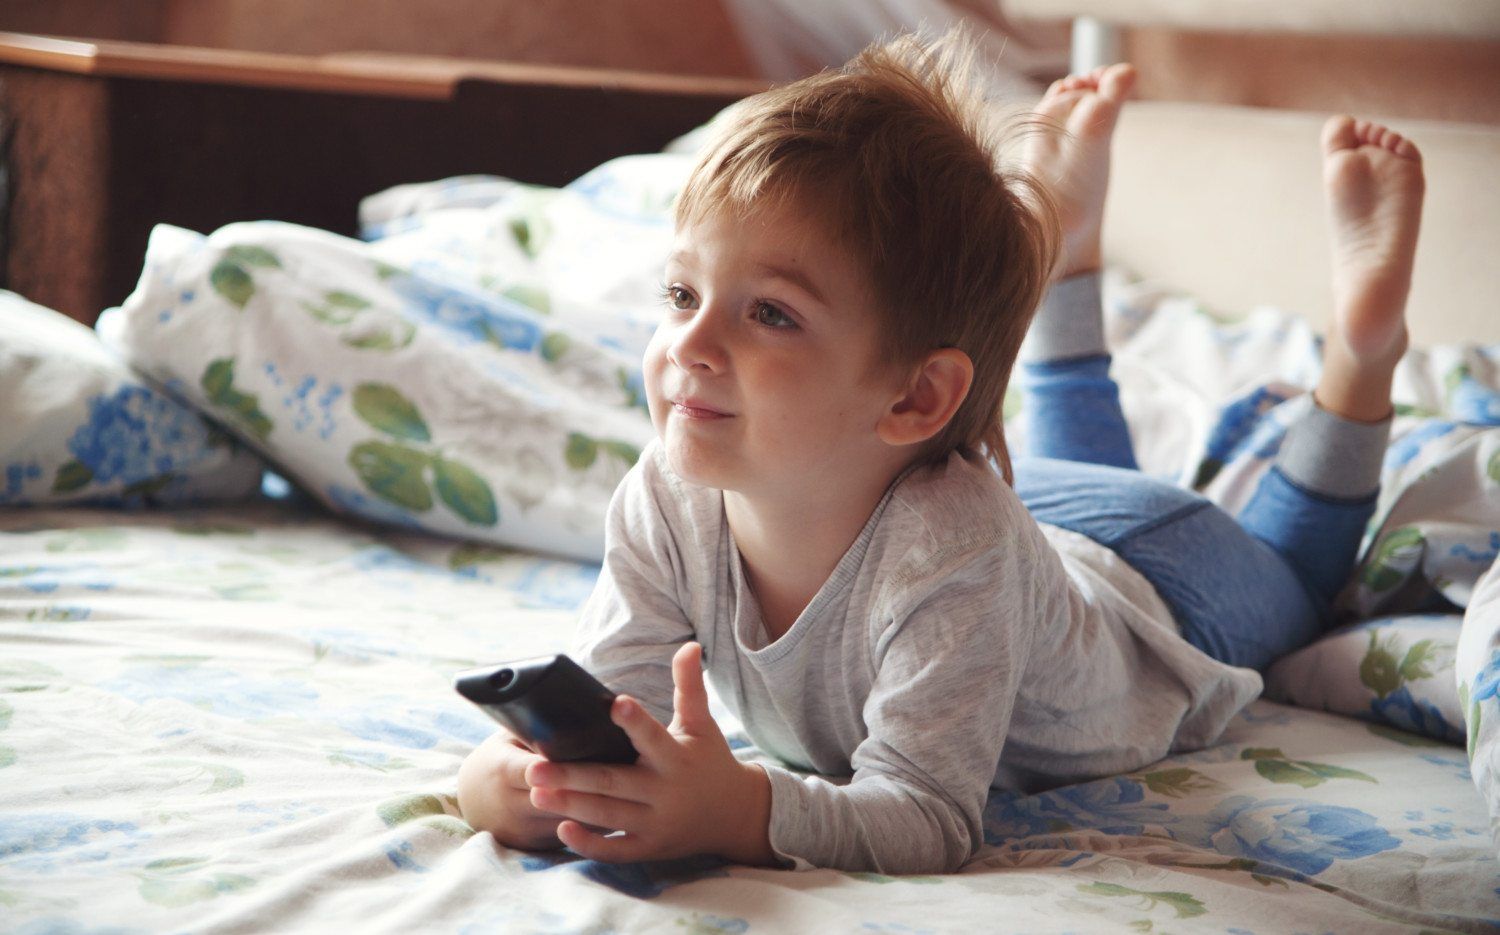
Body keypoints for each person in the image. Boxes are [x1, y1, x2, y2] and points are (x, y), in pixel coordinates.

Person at [455, 32, 1425, 874]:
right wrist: (519, 779)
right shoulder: (669, 493)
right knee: (1059, 459)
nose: (690, 346)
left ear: (916, 397)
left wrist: (746, 810)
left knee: (1298, 584)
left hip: (1169, 581)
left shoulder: (954, 546)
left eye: (771, 313)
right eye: (680, 294)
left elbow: (927, 815)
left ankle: (1361, 355)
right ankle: (1064, 251)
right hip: (1034, 515)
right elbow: (614, 715)